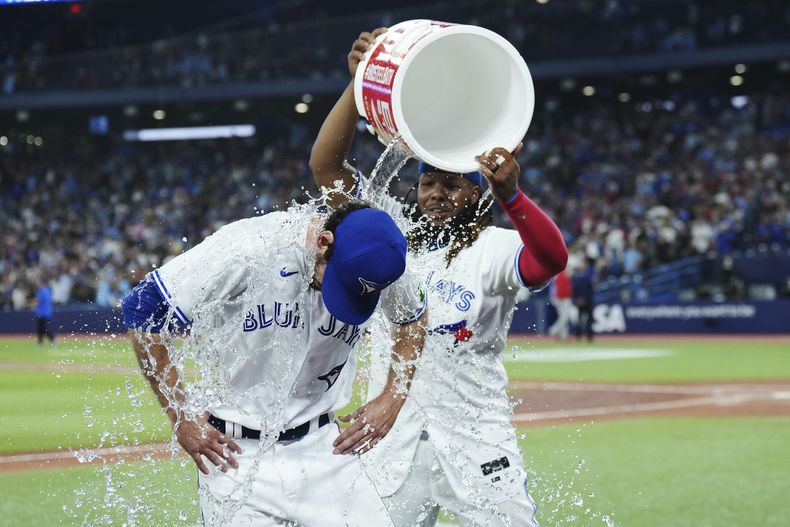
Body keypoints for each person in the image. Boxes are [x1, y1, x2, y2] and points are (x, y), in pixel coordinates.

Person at [310, 28, 568, 527]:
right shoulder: (390, 238)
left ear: (478, 195)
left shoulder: (492, 249)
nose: (436, 193)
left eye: (453, 184)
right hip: (391, 444)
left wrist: (513, 196)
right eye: (428, 181)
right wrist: (360, 86)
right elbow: (325, 169)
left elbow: (550, 259)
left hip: (477, 442)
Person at [121, 201, 427, 526]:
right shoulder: (251, 248)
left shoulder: (384, 261)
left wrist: (395, 395)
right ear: (324, 242)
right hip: (234, 455)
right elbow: (143, 307)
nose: (343, 298)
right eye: (338, 283)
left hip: (325, 449)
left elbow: (413, 316)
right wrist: (180, 414)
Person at [572, 259, 595, 342]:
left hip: (587, 301)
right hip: (581, 302)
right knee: (579, 321)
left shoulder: (587, 278)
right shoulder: (578, 279)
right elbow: (574, 291)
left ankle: (589, 337)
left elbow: (591, 291)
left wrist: (584, 299)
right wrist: (577, 300)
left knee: (588, 320)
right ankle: (578, 336)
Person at [547, 268, 573, 341]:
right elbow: (560, 288)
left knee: (563, 316)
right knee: (565, 317)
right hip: (562, 298)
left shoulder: (560, 274)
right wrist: (560, 298)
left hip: (561, 297)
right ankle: (553, 330)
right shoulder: (561, 274)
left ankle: (564, 336)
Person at [35, 277, 55, 346]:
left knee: (43, 328)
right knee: (40, 328)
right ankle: (40, 342)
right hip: (43, 312)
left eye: (38, 283)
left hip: (43, 312)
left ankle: (51, 338)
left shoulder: (42, 291)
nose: (37, 284)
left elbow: (38, 301)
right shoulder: (47, 290)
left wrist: (27, 303)